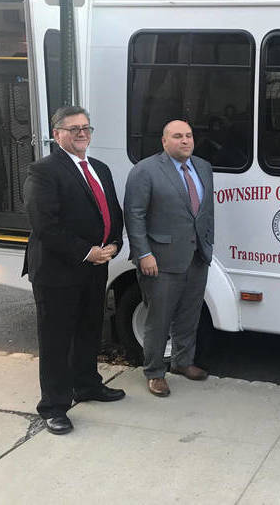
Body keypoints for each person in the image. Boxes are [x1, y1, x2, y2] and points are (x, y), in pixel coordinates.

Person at [22, 106, 126, 435]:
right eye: (73, 129)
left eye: (86, 128)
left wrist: (114, 244)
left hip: (94, 267)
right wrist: (86, 252)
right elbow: (45, 225)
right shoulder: (43, 171)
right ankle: (53, 406)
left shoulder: (100, 168)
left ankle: (87, 384)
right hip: (57, 271)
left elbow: (112, 210)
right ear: (57, 135)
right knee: (56, 340)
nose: (82, 133)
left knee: (88, 330)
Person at [123, 119, 215, 398]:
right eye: (177, 136)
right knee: (158, 319)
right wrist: (144, 254)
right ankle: (154, 372)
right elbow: (134, 215)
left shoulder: (203, 167)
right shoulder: (145, 171)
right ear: (164, 141)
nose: (185, 141)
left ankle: (183, 362)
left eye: (188, 135)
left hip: (197, 255)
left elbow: (205, 211)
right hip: (160, 259)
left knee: (189, 315)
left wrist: (208, 243)